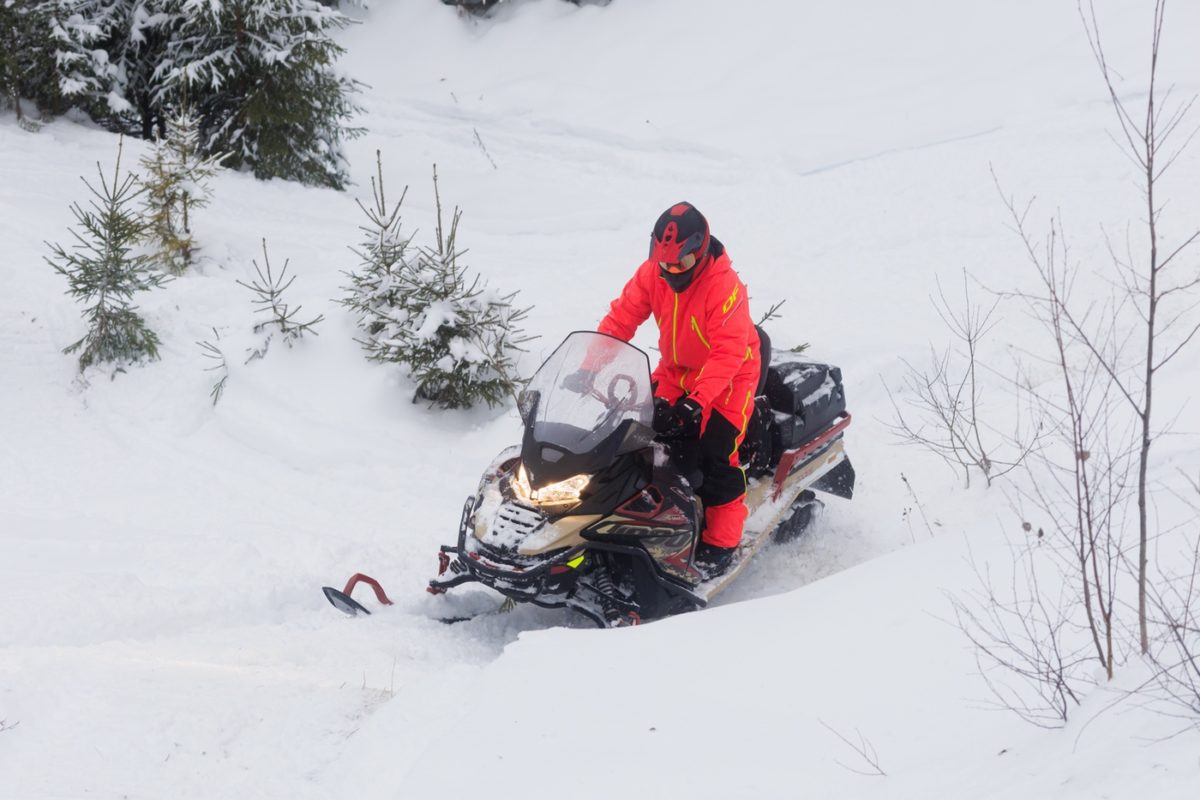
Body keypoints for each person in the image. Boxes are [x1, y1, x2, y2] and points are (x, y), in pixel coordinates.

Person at [593, 201, 761, 578]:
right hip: (676, 370)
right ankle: (637, 520)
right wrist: (590, 365)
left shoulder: (723, 286)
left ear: (699, 253)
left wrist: (697, 402)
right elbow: (621, 318)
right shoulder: (653, 274)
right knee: (636, 435)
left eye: (681, 263)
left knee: (717, 452)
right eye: (664, 263)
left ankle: (722, 542)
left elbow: (728, 352)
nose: (671, 271)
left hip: (731, 376)